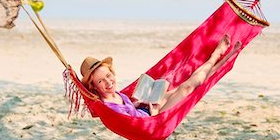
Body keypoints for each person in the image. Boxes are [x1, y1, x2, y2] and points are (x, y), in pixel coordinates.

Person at [80, 34, 241, 117]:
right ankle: (217, 56)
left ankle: (220, 57)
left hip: (147, 107)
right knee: (187, 88)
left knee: (186, 82)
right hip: (154, 118)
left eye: (109, 75)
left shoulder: (115, 95)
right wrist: (155, 112)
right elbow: (135, 124)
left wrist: (139, 104)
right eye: (101, 81)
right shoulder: (108, 107)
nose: (109, 82)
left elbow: (129, 111)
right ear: (93, 85)